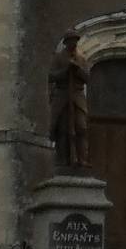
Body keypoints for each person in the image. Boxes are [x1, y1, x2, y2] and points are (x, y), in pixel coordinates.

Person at [48, 31, 91, 173]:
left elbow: (87, 78)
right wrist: (66, 70)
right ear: (66, 43)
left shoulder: (82, 59)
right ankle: (63, 160)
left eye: (75, 41)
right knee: (63, 128)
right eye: (71, 41)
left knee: (81, 127)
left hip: (77, 94)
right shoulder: (58, 58)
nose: (74, 44)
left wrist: (77, 70)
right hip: (62, 93)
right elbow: (51, 76)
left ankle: (82, 159)